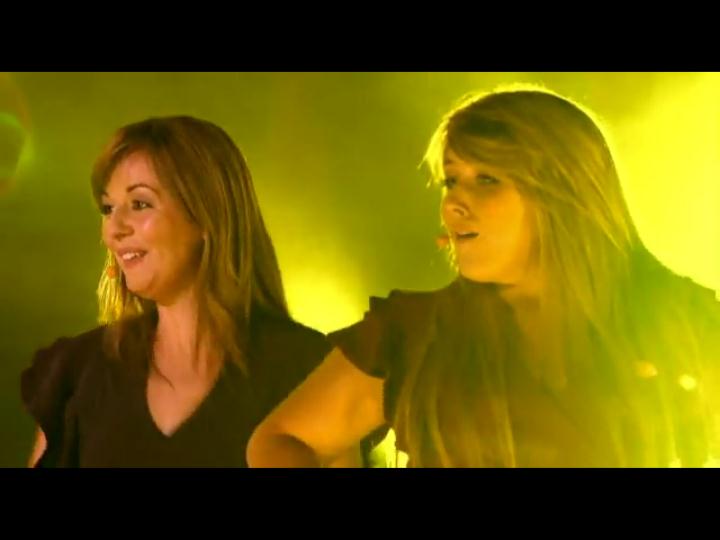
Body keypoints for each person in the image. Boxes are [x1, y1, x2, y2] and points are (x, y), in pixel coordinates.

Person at [247, 87, 720, 468]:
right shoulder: (413, 333)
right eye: (451, 180)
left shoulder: (683, 321)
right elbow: (281, 440)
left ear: (563, 190)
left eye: (487, 180)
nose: (454, 202)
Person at [21, 115, 362, 467]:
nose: (114, 229)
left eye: (140, 204)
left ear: (206, 213)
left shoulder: (307, 369)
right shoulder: (77, 371)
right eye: (108, 209)